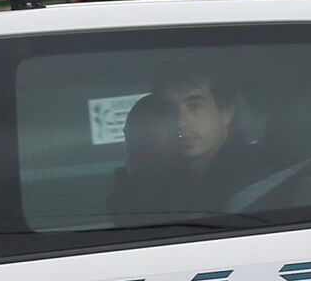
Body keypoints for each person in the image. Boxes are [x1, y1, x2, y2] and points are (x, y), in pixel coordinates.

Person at [109, 66, 263, 226]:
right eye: (170, 110)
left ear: (226, 112)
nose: (180, 122)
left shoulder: (257, 181)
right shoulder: (164, 182)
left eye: (194, 106)